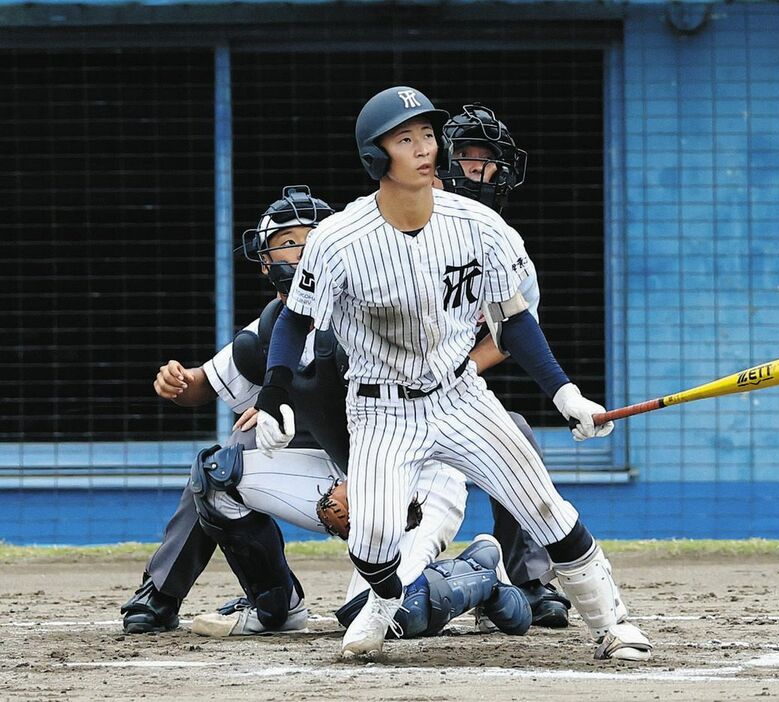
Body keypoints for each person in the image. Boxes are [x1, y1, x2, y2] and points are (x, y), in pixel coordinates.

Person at [253, 86, 652, 661]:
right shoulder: (339, 239)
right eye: (405, 139)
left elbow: (513, 322)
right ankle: (384, 600)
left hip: (460, 397)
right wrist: (273, 395)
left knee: (546, 509)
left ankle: (612, 625)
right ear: (376, 156)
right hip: (380, 410)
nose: (424, 148)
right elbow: (294, 323)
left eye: (428, 136)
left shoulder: (480, 226)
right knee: (373, 539)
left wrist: (566, 393)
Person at [123, 187, 531, 640]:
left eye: (312, 238)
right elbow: (205, 383)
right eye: (287, 241)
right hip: (343, 475)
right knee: (219, 471)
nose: (300, 251)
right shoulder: (271, 328)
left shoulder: (379, 304)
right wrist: (180, 380)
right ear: (264, 259)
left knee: (386, 615)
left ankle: (479, 575)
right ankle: (275, 605)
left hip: (417, 476)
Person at [437, 103, 571, 628]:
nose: (480, 169)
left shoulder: (501, 244)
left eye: (487, 160)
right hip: (377, 402)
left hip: (448, 397)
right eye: (467, 158)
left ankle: (528, 579)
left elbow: (511, 332)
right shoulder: (393, 230)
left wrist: (460, 369)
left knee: (514, 434)